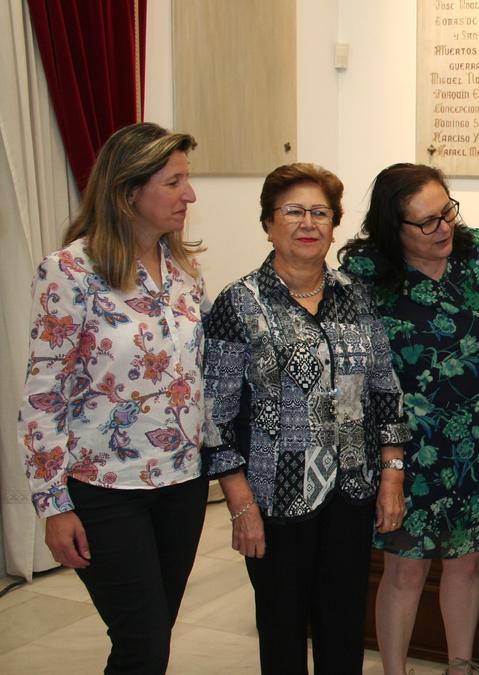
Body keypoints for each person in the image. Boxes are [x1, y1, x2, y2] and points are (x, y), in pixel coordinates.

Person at [202, 163, 410, 674]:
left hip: (351, 490)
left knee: (343, 631)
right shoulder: (240, 303)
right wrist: (240, 505)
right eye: (292, 211)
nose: (307, 223)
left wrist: (391, 475)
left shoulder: (354, 296)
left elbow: (379, 387)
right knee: (283, 632)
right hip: (274, 497)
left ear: (335, 224)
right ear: (269, 223)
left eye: (320, 212)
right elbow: (215, 417)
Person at [18, 122, 206, 674]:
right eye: (174, 183)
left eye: (187, 181)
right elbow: (42, 394)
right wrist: (53, 506)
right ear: (129, 192)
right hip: (104, 489)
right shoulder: (70, 271)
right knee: (142, 642)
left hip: (181, 485)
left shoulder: (184, 274)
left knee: (152, 636)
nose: (190, 195)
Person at [339, 163, 479, 675]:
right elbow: (357, 371)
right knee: (406, 568)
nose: (444, 228)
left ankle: (460, 665)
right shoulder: (366, 272)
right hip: (404, 444)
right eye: (426, 222)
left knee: (468, 559)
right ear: (392, 230)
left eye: (447, 212)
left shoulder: (476, 251)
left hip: (474, 435)